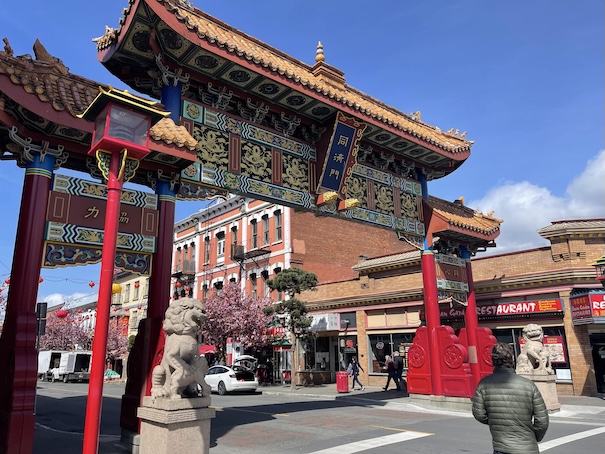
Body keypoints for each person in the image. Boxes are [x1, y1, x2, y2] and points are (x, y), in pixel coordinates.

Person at [472, 342, 549, 454]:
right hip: (527, 447)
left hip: (501, 446)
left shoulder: (484, 384)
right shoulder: (528, 385)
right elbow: (542, 420)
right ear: (512, 359)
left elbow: (479, 414)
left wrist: (497, 421)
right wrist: (533, 436)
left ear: (493, 360)